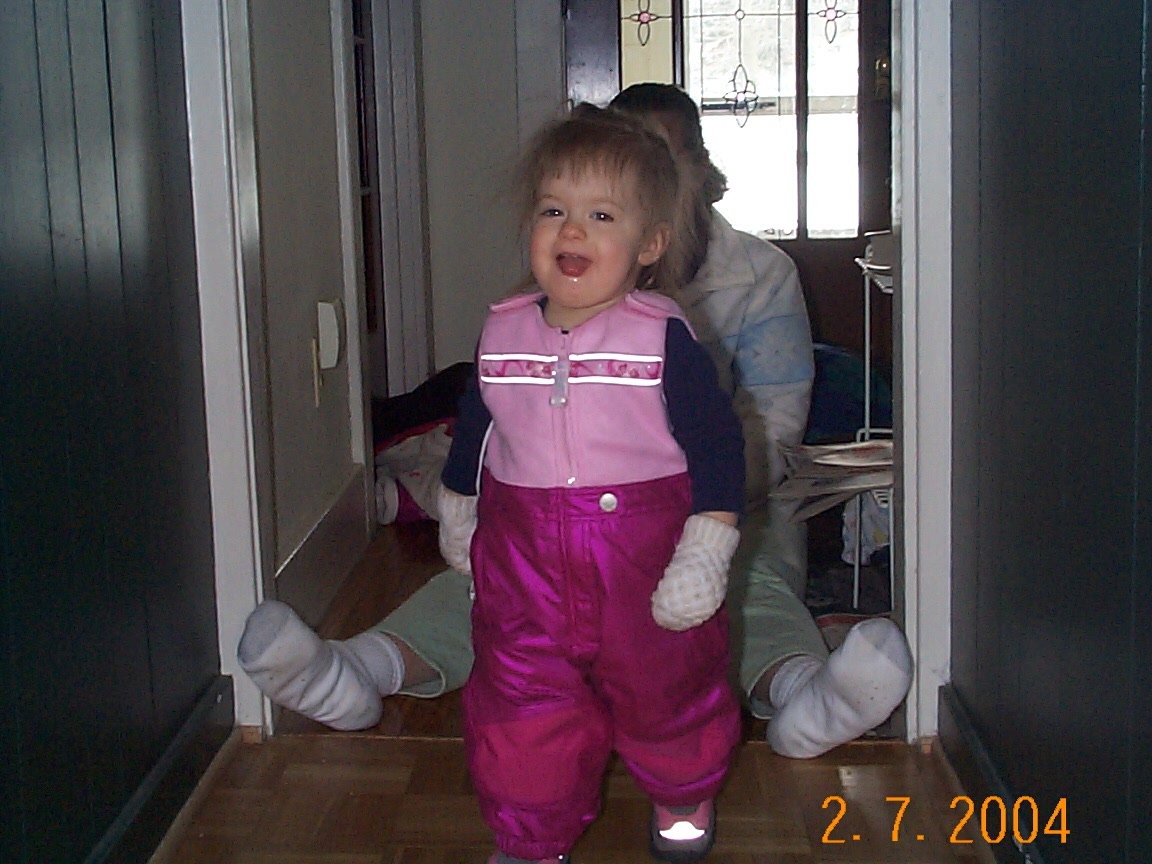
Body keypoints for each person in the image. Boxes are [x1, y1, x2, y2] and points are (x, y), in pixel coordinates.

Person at [237, 83, 911, 771]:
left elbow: (772, 420)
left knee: (743, 591)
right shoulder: (567, 269)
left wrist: (692, 521)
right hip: (568, 519)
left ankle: (802, 692)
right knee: (492, 585)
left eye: (663, 160)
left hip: (723, 503)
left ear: (700, 173)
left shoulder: (761, 275)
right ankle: (360, 668)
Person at [436, 104, 743, 864]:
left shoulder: (661, 340)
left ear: (650, 244)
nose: (571, 231)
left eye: (601, 216)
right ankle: (530, 836)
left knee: (668, 686)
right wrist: (459, 507)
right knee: (521, 704)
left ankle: (682, 793)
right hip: (525, 569)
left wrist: (707, 546)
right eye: (553, 211)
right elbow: (476, 425)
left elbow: (717, 446)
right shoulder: (503, 332)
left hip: (642, 563)